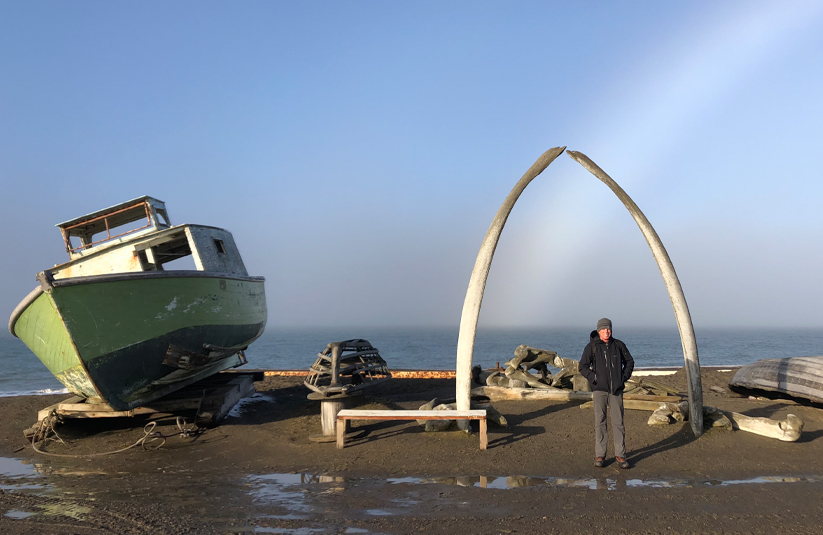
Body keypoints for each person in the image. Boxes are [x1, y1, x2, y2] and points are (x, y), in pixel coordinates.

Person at [578, 318, 634, 469]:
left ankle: (621, 455)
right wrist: (594, 378)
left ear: (611, 329)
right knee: (600, 421)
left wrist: (623, 378)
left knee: (618, 422)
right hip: (599, 391)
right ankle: (600, 455)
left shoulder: (619, 345)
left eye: (608, 329)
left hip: (616, 390)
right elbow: (582, 366)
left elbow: (629, 362)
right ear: (598, 331)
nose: (606, 332)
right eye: (603, 329)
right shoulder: (592, 347)